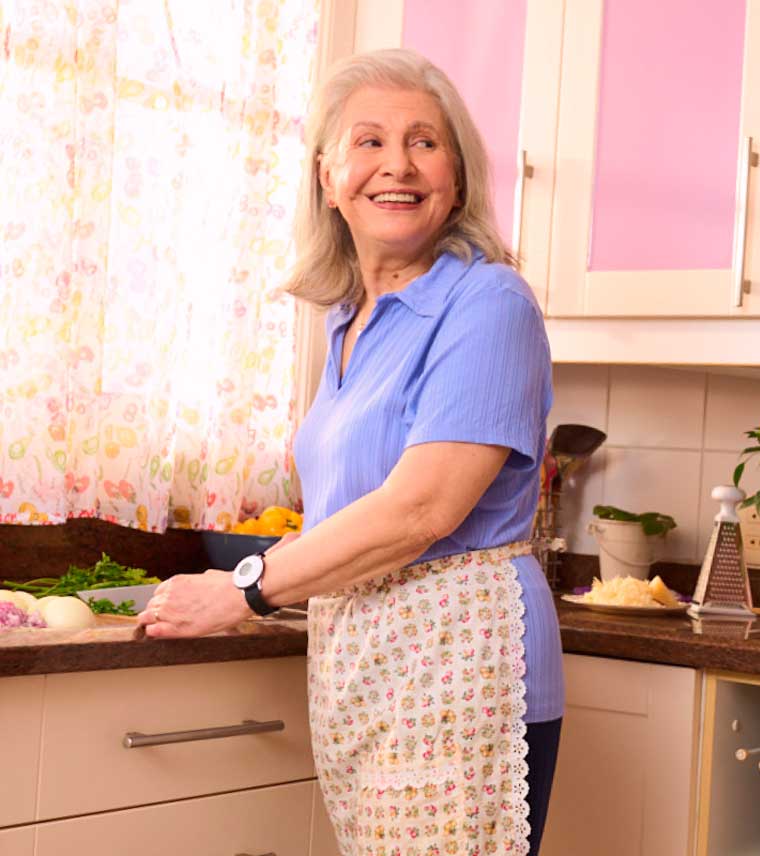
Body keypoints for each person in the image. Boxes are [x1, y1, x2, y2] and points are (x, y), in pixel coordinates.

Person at [138, 48, 564, 855]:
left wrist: (243, 590)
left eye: (424, 143)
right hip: (364, 671)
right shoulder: (348, 321)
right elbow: (346, 508)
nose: (396, 165)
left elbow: (421, 508)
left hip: (459, 670)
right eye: (368, 142)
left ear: (459, 177)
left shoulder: (488, 302)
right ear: (328, 177)